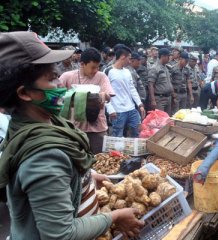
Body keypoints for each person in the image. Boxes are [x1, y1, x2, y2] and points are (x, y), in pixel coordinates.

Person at [0, 31, 144, 239]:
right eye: (51, 79)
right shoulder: (44, 157)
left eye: (58, 76)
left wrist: (84, 178)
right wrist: (115, 217)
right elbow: (61, 234)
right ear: (24, 93)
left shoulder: (50, 122)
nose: (60, 85)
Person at [60, 47, 115, 154]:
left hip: (97, 128)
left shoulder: (101, 76)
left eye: (98, 67)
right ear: (82, 64)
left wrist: (104, 95)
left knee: (100, 160)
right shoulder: (67, 77)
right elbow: (55, 97)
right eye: (93, 67)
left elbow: (109, 96)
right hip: (74, 129)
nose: (95, 71)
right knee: (75, 160)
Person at [106, 45, 145, 138]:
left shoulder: (127, 72)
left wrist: (140, 104)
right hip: (117, 111)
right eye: (129, 58)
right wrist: (110, 109)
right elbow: (104, 91)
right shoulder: (108, 71)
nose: (130, 61)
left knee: (137, 132)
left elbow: (132, 89)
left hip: (131, 109)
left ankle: (134, 152)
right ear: (123, 57)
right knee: (117, 136)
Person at [148, 48, 174, 115]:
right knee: (160, 120)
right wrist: (153, 100)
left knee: (167, 119)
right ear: (163, 56)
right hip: (159, 99)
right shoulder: (155, 68)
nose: (169, 58)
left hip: (168, 97)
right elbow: (151, 85)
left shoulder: (166, 67)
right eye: (168, 56)